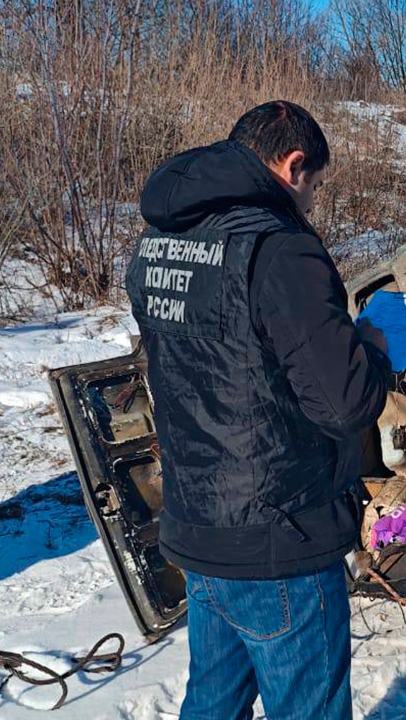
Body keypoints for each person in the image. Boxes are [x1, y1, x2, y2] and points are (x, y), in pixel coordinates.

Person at [125, 101, 390, 720]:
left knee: (213, 700)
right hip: (280, 534)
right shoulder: (280, 250)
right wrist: (372, 350)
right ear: (294, 165)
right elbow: (344, 404)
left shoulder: (159, 241)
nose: (313, 202)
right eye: (315, 186)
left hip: (197, 523)